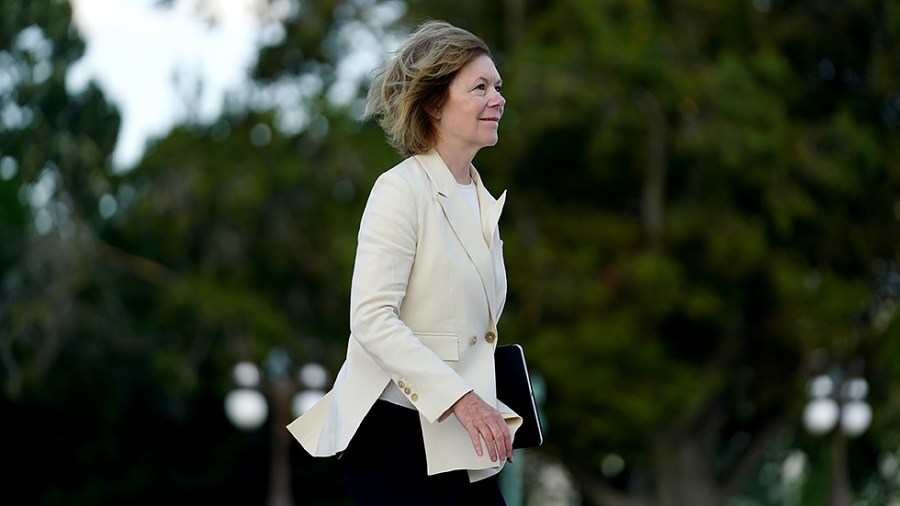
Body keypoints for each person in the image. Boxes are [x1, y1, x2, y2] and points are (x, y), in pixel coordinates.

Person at [287, 19, 520, 505]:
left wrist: (489, 407)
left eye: (497, 87)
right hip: (391, 438)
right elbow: (371, 318)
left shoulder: (479, 198)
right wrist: (462, 398)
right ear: (435, 103)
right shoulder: (399, 189)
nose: (498, 99)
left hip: (460, 444)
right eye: (480, 87)